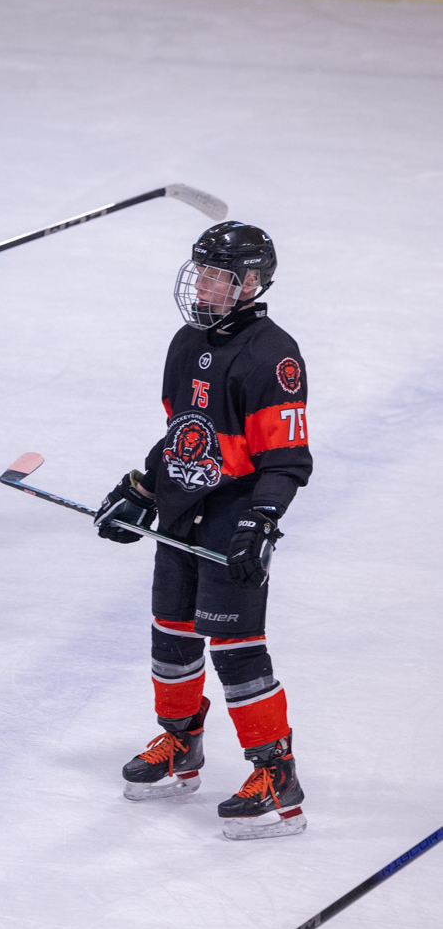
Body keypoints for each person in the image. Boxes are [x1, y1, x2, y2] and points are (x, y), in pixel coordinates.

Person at [95, 221, 312, 840]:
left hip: (232, 515)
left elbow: (285, 459)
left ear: (251, 282)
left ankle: (276, 774)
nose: (203, 286)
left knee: (236, 647)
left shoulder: (273, 355)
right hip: (181, 507)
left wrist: (260, 521)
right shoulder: (186, 342)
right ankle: (181, 743)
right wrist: (142, 489)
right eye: (202, 272)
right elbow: (185, 433)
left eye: (218, 275)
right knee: (171, 634)